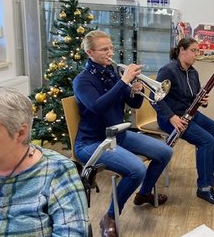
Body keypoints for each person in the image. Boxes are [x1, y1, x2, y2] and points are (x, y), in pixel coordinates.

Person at [73, 30, 173, 237]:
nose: (110, 52)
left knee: (165, 152)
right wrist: (123, 82)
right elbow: (97, 106)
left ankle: (144, 194)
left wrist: (137, 89)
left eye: (111, 47)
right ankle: (110, 216)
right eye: (104, 49)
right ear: (90, 53)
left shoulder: (111, 72)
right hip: (92, 142)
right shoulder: (83, 80)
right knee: (137, 170)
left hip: (119, 134)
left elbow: (134, 103)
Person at [0, 86, 89, 236]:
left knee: (136, 171)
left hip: (91, 142)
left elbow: (72, 232)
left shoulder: (56, 170)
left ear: (20, 132)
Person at [153, 37, 214, 205]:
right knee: (206, 140)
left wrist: (204, 100)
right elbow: (155, 98)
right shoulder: (168, 70)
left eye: (198, 51)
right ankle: (204, 188)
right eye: (194, 50)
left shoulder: (193, 72)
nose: (197, 54)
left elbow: (195, 96)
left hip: (189, 115)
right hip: (171, 118)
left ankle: (212, 173)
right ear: (182, 50)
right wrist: (171, 117)